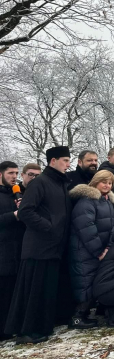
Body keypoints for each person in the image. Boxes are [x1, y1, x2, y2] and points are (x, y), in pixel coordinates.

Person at [5, 146, 72, 344]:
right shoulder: (40, 182)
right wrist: (48, 227)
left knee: (46, 290)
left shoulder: (59, 183)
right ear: (52, 161)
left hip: (54, 247)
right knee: (33, 291)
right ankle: (27, 331)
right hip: (39, 247)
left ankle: (41, 327)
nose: (68, 164)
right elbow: (26, 211)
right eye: (65, 160)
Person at [68, 170, 114, 329]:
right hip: (85, 251)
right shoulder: (86, 201)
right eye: (104, 181)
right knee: (85, 282)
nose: (107, 185)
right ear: (95, 181)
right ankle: (78, 317)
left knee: (95, 281)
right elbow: (86, 229)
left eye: (110, 183)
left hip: (101, 251)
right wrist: (99, 251)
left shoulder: (107, 201)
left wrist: (109, 246)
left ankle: (90, 312)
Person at [0, 162, 24, 342]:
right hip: (3, 250)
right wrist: (14, 215)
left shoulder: (15, 193)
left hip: (16, 251)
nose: (14, 176)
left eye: (16, 173)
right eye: (10, 173)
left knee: (12, 291)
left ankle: (11, 327)